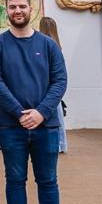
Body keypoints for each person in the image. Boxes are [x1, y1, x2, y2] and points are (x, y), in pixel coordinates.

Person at [0, 0, 73, 204]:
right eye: (12, 7)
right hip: (13, 128)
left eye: (22, 5)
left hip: (45, 127)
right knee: (15, 181)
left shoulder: (48, 46)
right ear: (6, 11)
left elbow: (60, 81)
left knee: (48, 182)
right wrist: (19, 112)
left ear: (31, 8)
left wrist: (41, 112)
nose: (18, 11)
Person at [38, 16, 70, 152]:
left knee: (52, 116)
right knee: (58, 116)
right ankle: (61, 144)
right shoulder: (56, 43)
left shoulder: (44, 44)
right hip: (55, 84)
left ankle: (58, 144)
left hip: (46, 84)